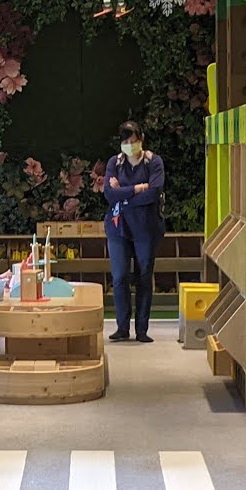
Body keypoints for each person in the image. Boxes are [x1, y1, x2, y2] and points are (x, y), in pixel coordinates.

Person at [102, 120, 163, 343]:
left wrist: (124, 194)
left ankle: (142, 329)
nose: (130, 145)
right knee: (119, 277)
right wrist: (138, 188)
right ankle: (122, 327)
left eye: (133, 140)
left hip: (146, 229)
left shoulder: (153, 162)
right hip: (118, 228)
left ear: (142, 139)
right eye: (125, 141)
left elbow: (154, 192)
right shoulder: (115, 163)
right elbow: (109, 194)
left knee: (143, 277)